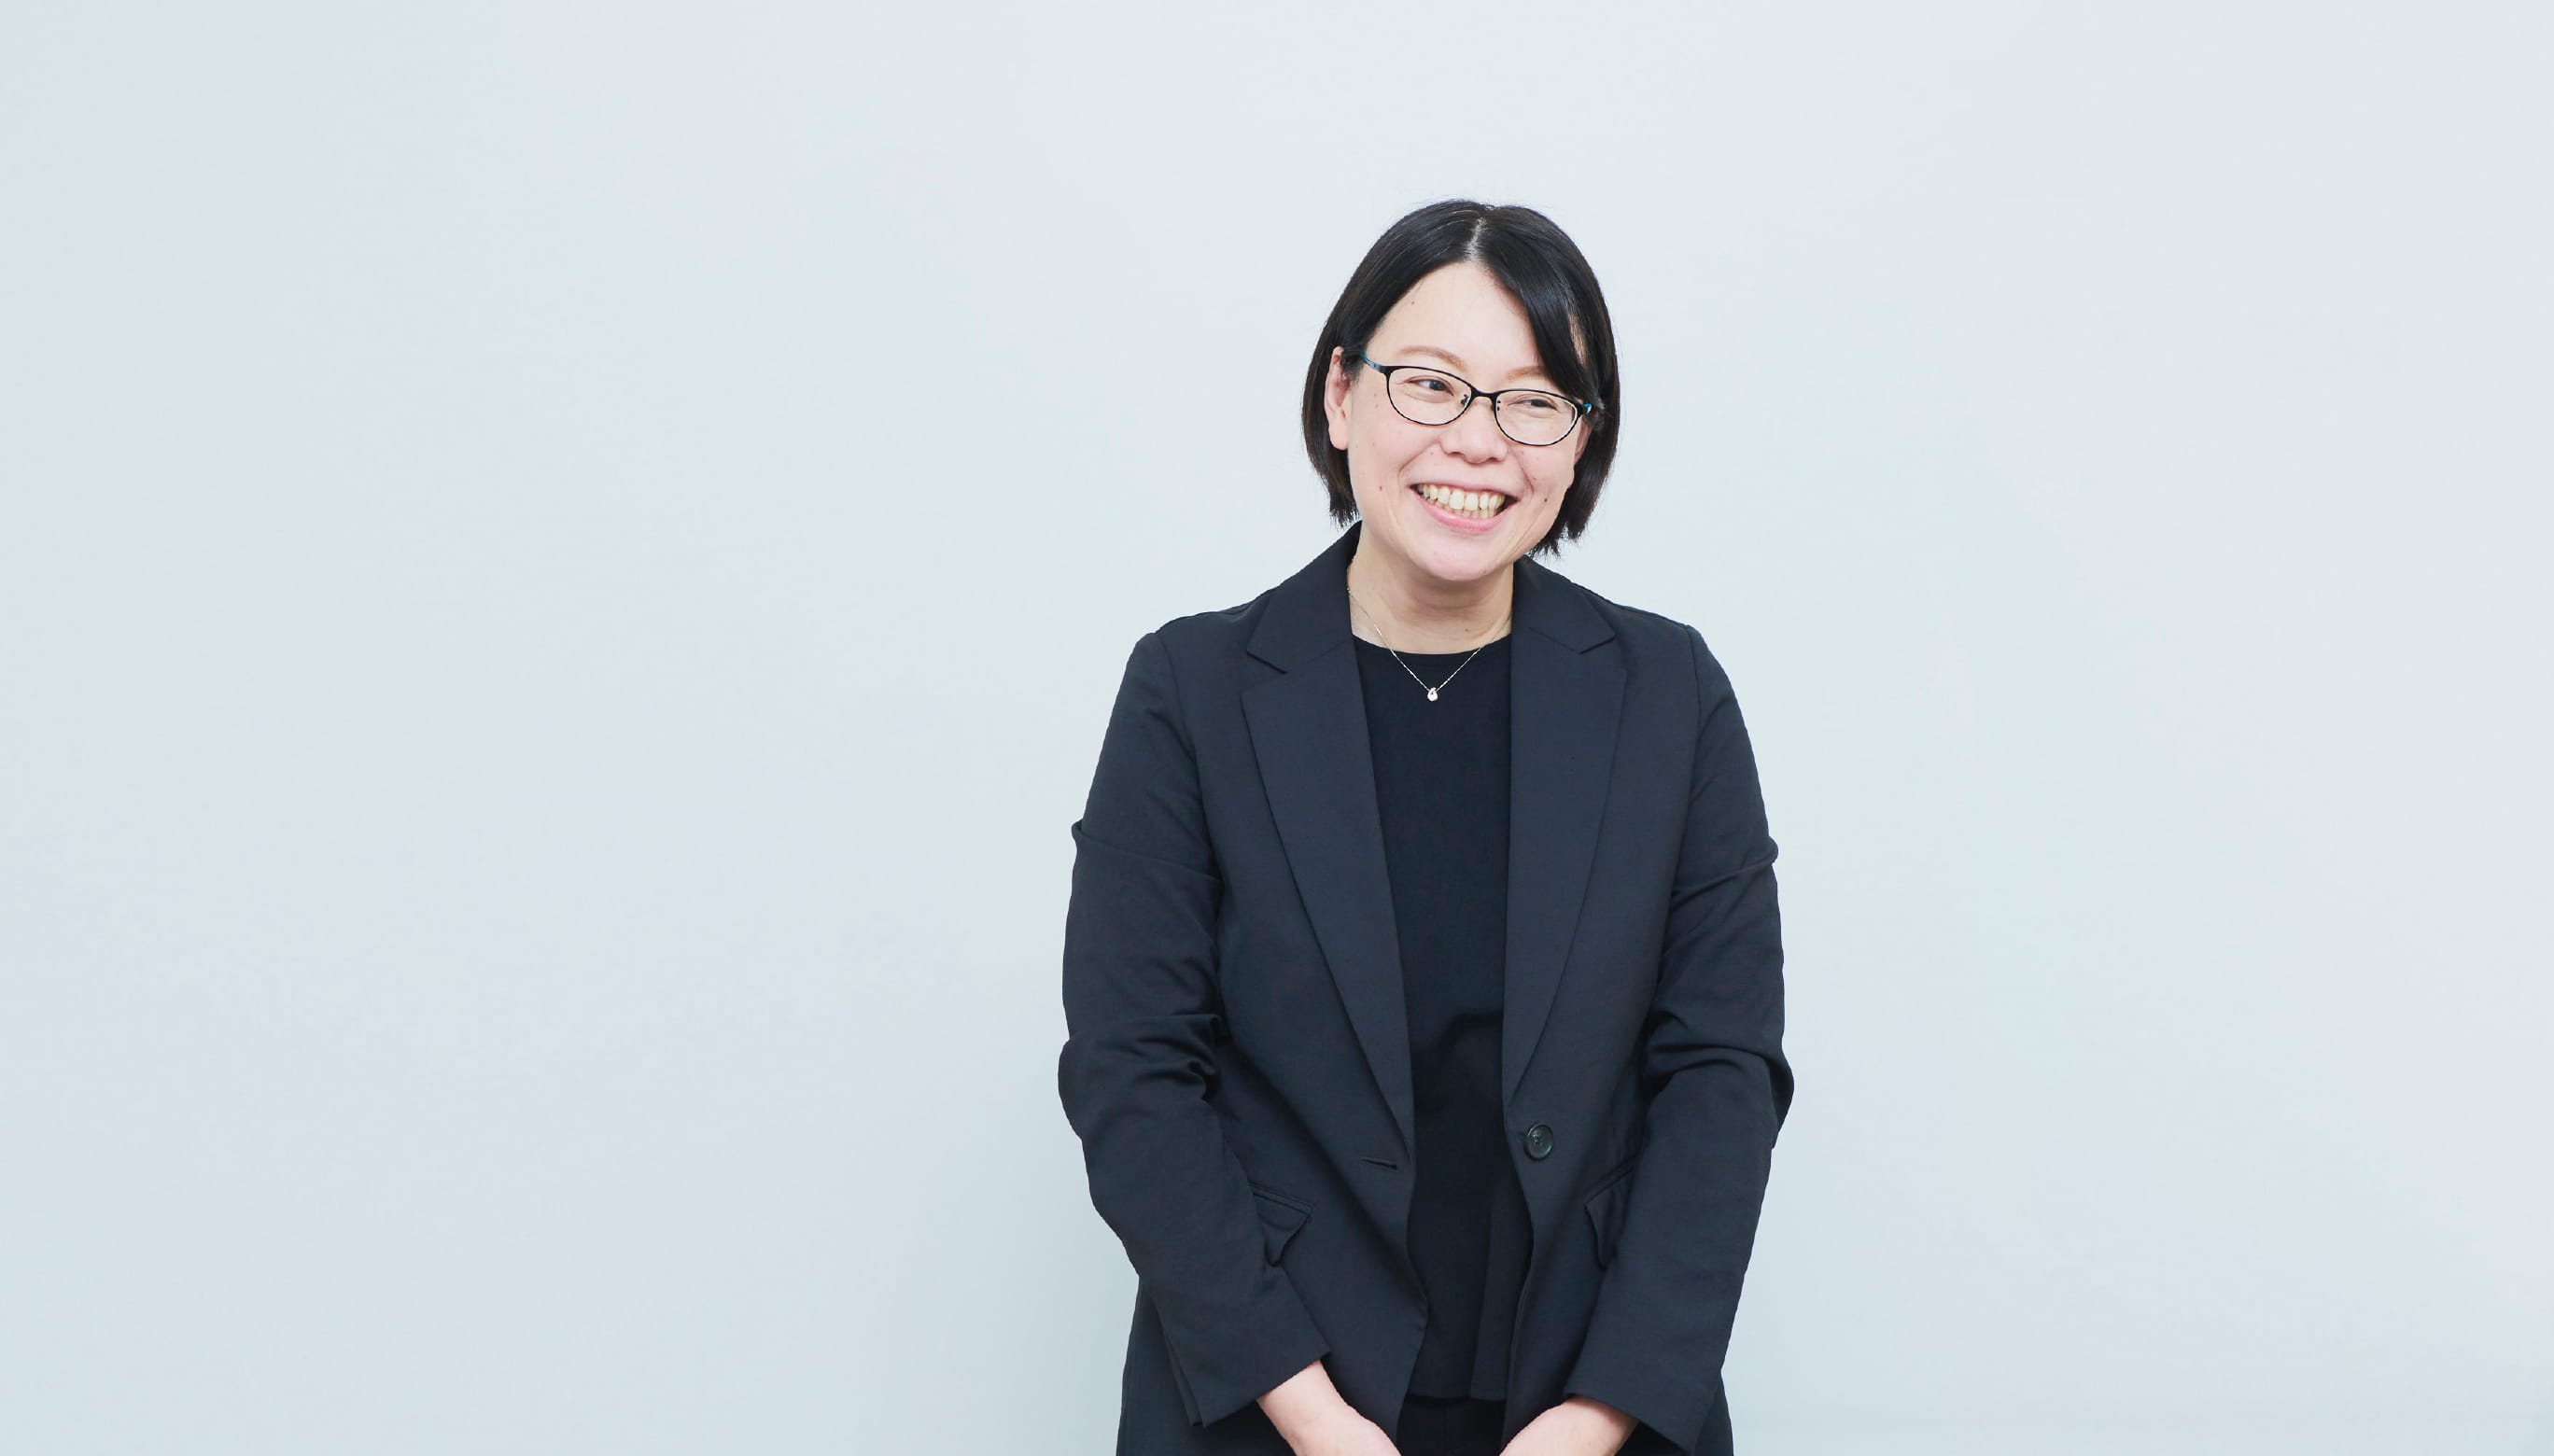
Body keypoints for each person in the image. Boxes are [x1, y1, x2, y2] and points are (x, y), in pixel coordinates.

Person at [1058, 199, 1794, 1456]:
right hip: (1273, 1402)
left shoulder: (1668, 695)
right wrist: (1309, 1416)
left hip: (1590, 1399)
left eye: (1534, 401)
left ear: (1581, 441)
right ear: (1342, 396)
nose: (1480, 440)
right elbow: (1134, 1074)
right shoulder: (1193, 692)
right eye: (1434, 384)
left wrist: (1604, 1412)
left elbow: (1721, 1073)